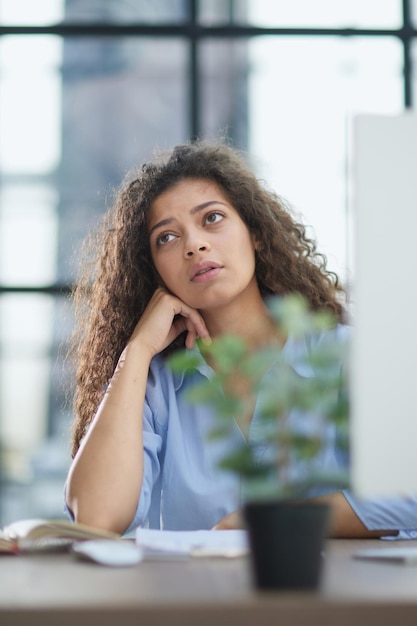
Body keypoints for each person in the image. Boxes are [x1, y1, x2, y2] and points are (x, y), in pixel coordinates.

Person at [64, 139, 417, 539]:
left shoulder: (349, 354)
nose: (194, 245)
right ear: (154, 271)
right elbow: (96, 518)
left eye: (212, 218)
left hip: (340, 600)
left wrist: (271, 524)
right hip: (202, 601)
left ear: (256, 234)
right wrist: (137, 350)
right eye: (166, 237)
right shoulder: (155, 383)